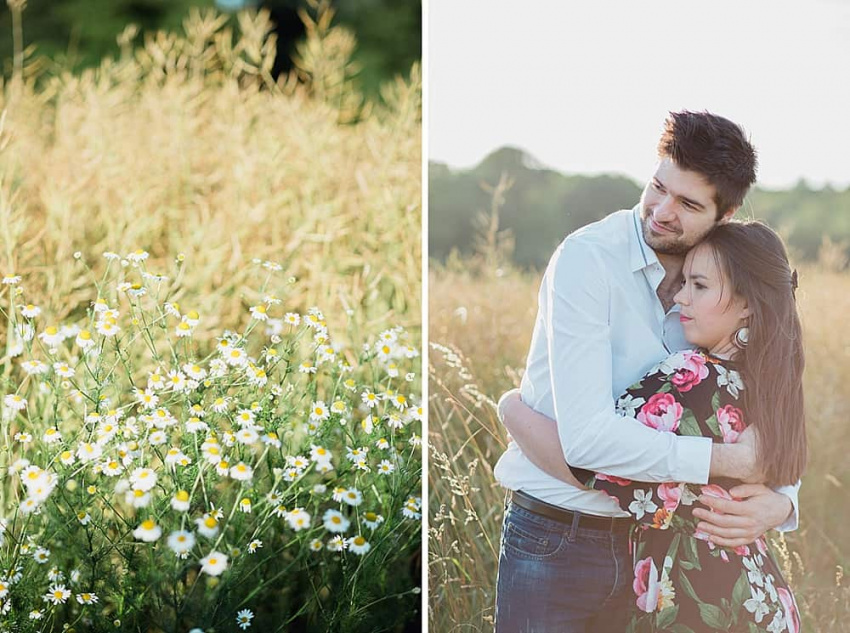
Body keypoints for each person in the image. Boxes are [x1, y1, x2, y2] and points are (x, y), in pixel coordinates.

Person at [492, 111, 801, 632]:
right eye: (658, 187)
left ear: (724, 214)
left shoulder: (721, 288)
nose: (660, 211)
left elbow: (775, 402)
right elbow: (588, 442)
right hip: (557, 537)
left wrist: (781, 501)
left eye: (688, 204)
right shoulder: (588, 261)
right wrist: (729, 460)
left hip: (658, 553)